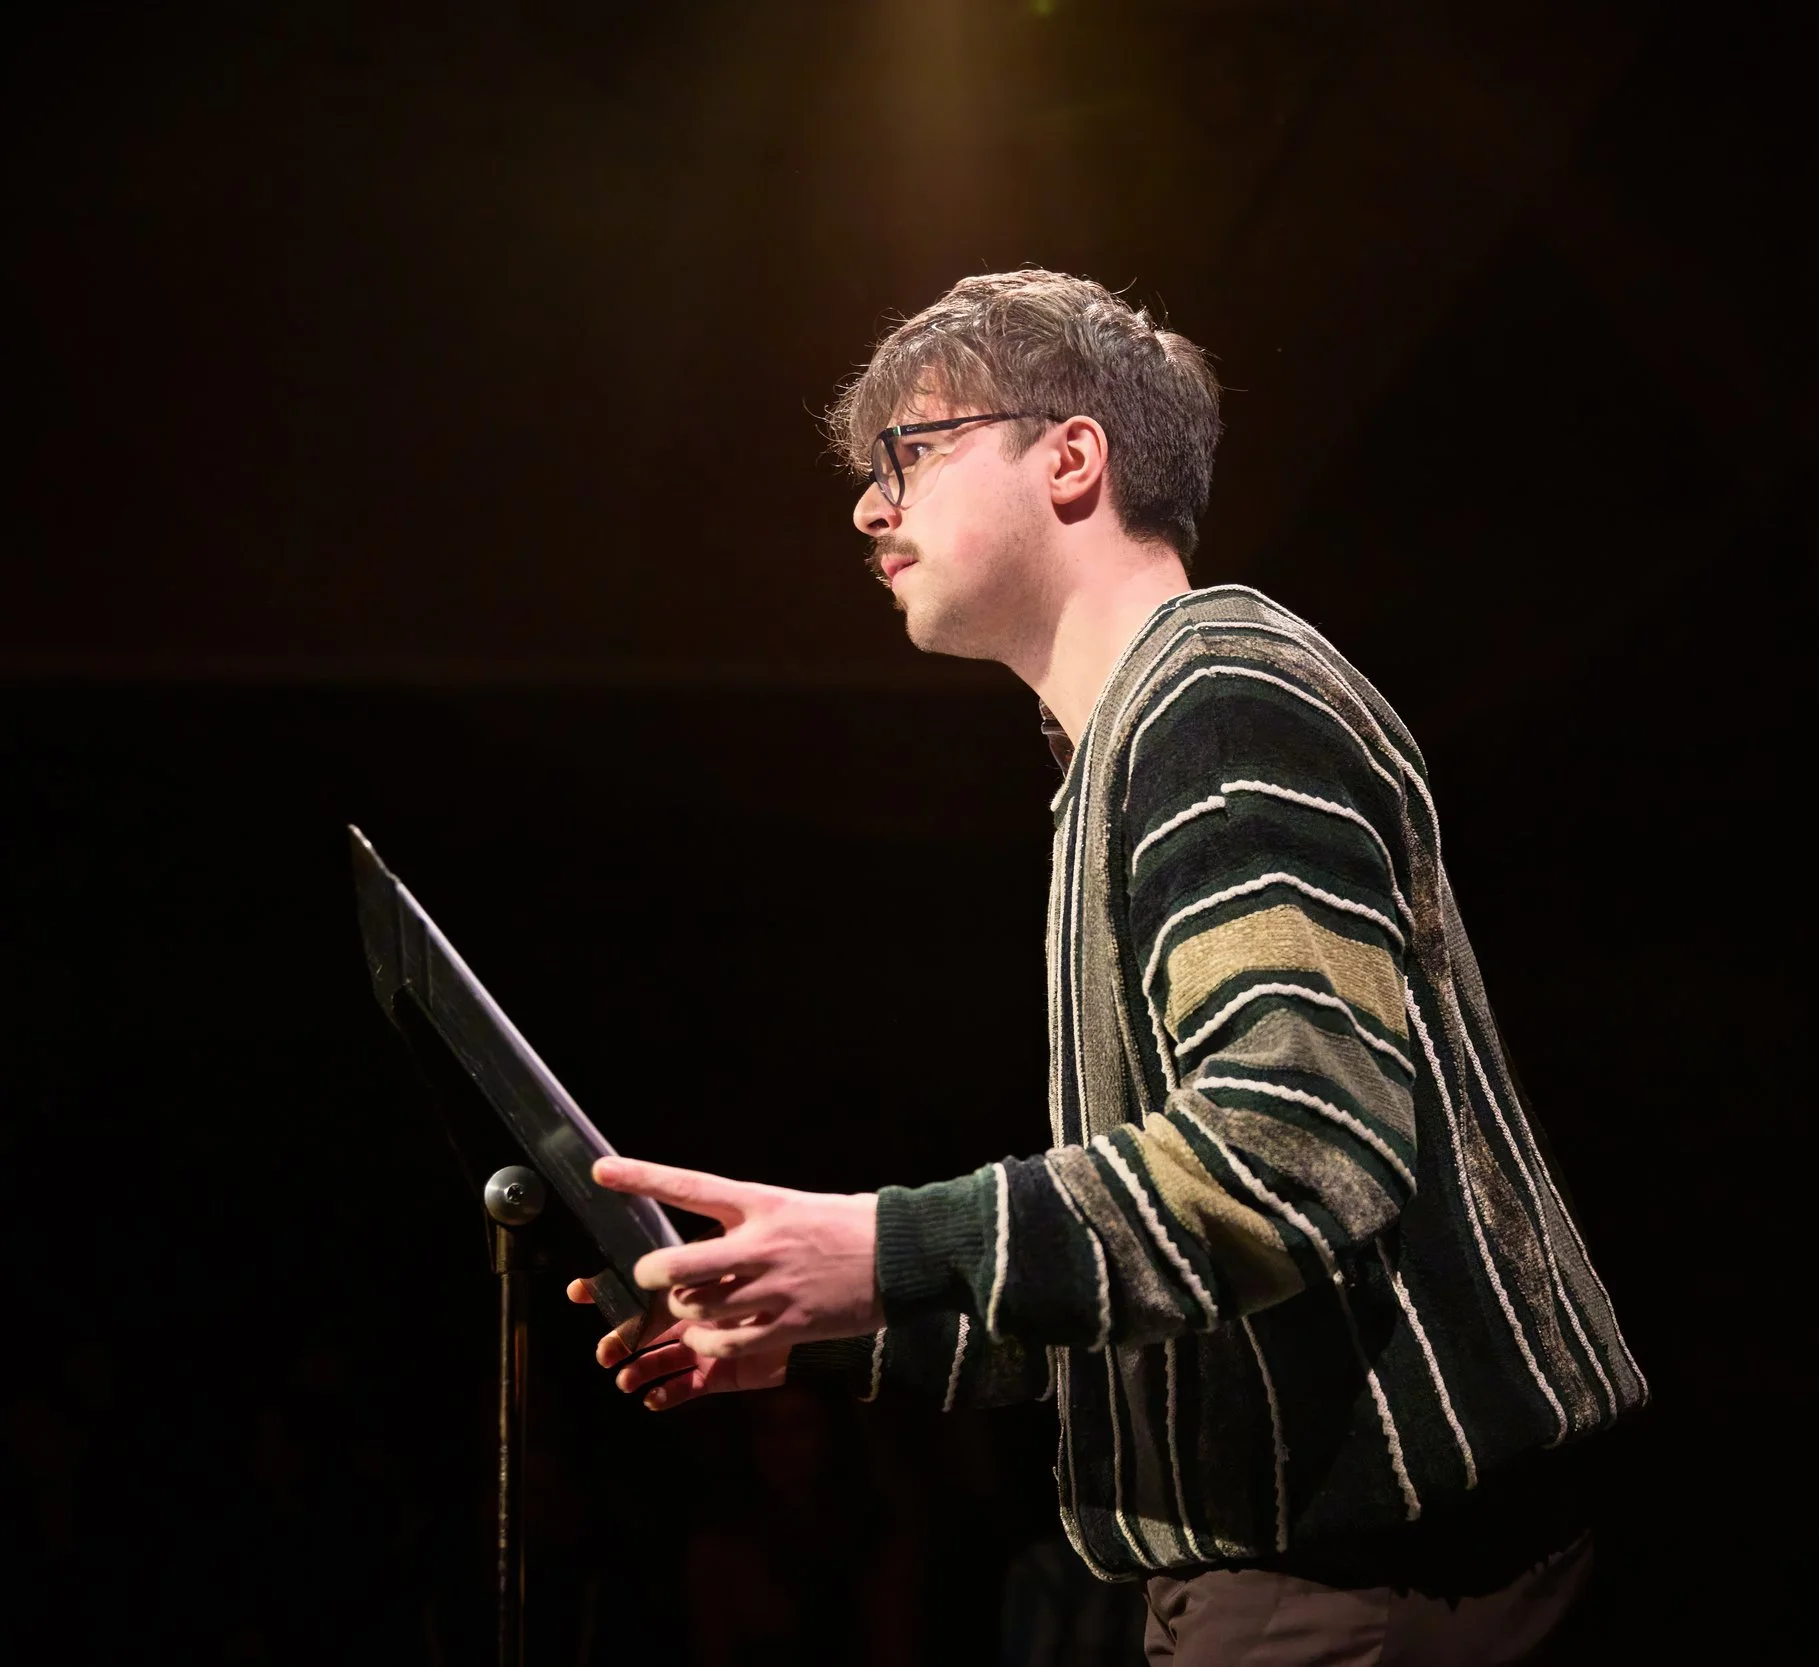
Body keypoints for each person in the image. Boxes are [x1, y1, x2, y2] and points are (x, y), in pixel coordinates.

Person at [566, 268, 1647, 1663]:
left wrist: (885, 1248)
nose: (869, 509)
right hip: (1325, 1585)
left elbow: (1296, 1150)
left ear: (1072, 456)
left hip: (1363, 1591)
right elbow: (1161, 1264)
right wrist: (821, 1313)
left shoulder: (1214, 697)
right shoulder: (1137, 741)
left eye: (910, 451)